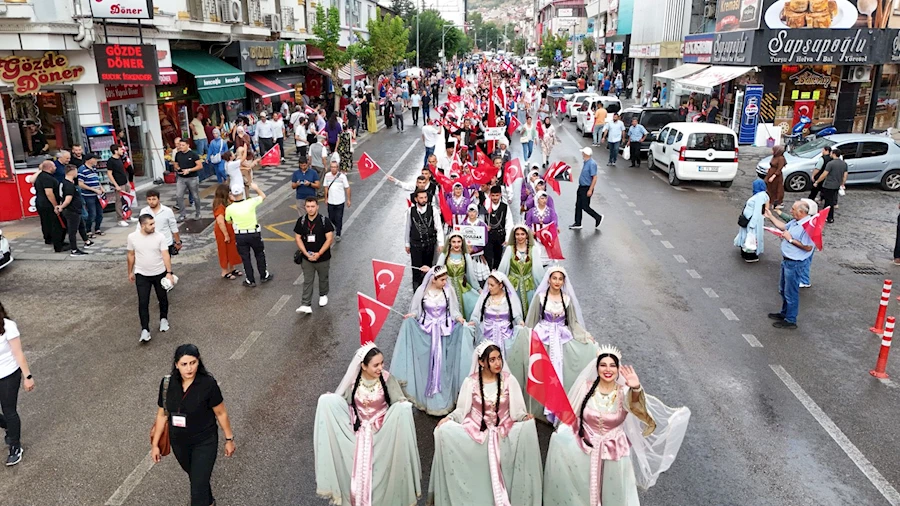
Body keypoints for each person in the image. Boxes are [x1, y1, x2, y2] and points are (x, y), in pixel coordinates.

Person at [543, 347, 691, 505]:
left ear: (618, 369)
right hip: (585, 444)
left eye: (612, 365)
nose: (608, 369)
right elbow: (572, 414)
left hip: (614, 449)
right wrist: (562, 434)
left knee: (612, 495)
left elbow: (638, 409)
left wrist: (635, 388)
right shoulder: (586, 388)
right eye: (603, 365)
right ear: (597, 368)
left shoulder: (624, 392)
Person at [429, 340, 542, 505]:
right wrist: (449, 419)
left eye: (499, 358)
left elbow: (517, 411)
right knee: (444, 432)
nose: (498, 363)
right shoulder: (471, 383)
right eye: (492, 360)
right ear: (482, 362)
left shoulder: (509, 381)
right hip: (477, 432)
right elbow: (462, 410)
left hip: (503, 431)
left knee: (528, 429)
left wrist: (525, 417)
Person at [314, 344, 422, 506]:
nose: (381, 367)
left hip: (382, 432)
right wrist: (329, 402)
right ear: (363, 366)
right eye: (376, 365)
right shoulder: (354, 382)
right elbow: (344, 402)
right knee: (357, 470)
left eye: (382, 363)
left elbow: (398, 400)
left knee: (381, 471)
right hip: (358, 431)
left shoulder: (386, 379)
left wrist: (403, 406)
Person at [150, 344, 235, 506]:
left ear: (198, 362)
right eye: (184, 364)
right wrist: (155, 445)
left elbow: (221, 413)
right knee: (197, 480)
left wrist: (229, 439)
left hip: (204, 441)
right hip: (179, 442)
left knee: (197, 488)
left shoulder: (208, 384)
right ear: (176, 365)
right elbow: (162, 414)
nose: (189, 368)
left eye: (193, 363)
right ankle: (209, 502)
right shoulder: (167, 384)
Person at [510, 266, 598, 421]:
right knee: (542, 371)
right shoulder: (541, 297)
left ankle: (558, 407)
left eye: (560, 279)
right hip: (543, 337)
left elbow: (572, 322)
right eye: (554, 278)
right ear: (549, 280)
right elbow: (533, 318)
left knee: (559, 371)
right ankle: (541, 406)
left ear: (563, 281)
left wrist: (585, 336)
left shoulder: (567, 299)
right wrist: (526, 334)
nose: (557, 282)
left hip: (560, 337)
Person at [390, 265, 475, 416]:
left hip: (444, 334)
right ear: (433, 279)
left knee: (443, 366)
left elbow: (454, 310)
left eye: (445, 279)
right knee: (428, 365)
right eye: (442, 279)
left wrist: (460, 319)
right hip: (427, 333)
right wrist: (412, 316)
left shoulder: (448, 291)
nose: (445, 282)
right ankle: (427, 400)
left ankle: (443, 401)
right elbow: (417, 310)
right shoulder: (422, 292)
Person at [765, 201, 815, 330]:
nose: (791, 211)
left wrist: (790, 239)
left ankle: (790, 319)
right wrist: (770, 216)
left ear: (801, 212)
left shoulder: (808, 227)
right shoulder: (795, 222)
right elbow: (783, 227)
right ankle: (784, 313)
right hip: (787, 261)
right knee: (783, 289)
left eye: (793, 209)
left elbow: (808, 247)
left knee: (791, 292)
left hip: (795, 264)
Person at [127, 214, 175, 342]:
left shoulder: (160, 237)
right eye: (151, 224)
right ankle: (145, 329)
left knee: (162, 297)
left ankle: (163, 319)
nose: (154, 226)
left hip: (159, 272)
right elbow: (131, 255)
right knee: (143, 302)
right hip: (141, 274)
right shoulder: (132, 237)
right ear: (143, 225)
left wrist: (168, 272)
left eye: (154, 223)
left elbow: (165, 255)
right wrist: (130, 272)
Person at [0, 302, 35, 466]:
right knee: (8, 418)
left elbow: (18, 352)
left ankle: (15, 446)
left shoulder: (8, 326)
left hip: (8, 374)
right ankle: (8, 425)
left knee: (9, 410)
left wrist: (28, 376)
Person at [225, 183, 273, 287]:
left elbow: (228, 221)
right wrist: (256, 188)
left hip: (240, 235)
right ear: (242, 193)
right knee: (259, 254)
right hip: (254, 233)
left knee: (245, 258)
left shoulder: (229, 208)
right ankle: (263, 275)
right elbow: (263, 196)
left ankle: (250, 280)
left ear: (232, 195)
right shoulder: (250, 202)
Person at [469, 273, 526, 359]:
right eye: (488, 284)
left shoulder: (509, 298)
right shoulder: (485, 297)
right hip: (487, 333)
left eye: (492, 285)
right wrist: (473, 321)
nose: (489, 287)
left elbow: (516, 315)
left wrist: (520, 322)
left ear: (500, 285)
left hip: (505, 335)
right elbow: (477, 314)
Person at [293, 197, 335, 314]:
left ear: (317, 206)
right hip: (307, 258)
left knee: (323, 278)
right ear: (305, 207)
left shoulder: (324, 221)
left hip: (323, 257)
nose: (310, 209)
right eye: (308, 207)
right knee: (307, 280)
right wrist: (306, 253)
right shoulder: (301, 221)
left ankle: (323, 294)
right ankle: (306, 304)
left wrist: (319, 253)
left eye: (312, 206)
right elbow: (298, 238)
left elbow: (329, 239)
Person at [498, 225, 546, 316]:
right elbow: (503, 268)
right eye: (517, 234)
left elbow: (538, 271)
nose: (520, 237)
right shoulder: (510, 249)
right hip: (513, 285)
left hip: (528, 285)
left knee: (529, 311)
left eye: (522, 234)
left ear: (527, 235)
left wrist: (543, 287)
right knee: (513, 309)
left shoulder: (533, 250)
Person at [435, 231, 481, 320]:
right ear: (450, 242)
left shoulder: (465, 255)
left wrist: (478, 288)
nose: (456, 244)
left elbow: (470, 274)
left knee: (474, 303)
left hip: (462, 286)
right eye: (454, 242)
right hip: (447, 285)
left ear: (462, 242)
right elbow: (437, 271)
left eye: (459, 242)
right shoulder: (444, 255)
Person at [406, 189, 445, 290]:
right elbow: (408, 228)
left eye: (425, 197)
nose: (424, 200)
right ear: (416, 199)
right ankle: (416, 293)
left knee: (428, 269)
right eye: (421, 198)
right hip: (416, 246)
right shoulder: (411, 211)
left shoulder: (433, 210)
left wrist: (441, 243)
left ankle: (427, 291)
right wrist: (407, 243)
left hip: (429, 245)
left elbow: (439, 227)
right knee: (416, 271)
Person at [55, 165, 92, 256]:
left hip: (75, 210)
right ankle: (74, 250)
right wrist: (62, 207)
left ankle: (86, 241)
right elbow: (67, 199)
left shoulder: (64, 183)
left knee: (81, 226)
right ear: (71, 171)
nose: (77, 173)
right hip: (72, 210)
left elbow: (61, 196)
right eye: (76, 171)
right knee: (72, 231)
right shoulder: (69, 185)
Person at [32, 160, 66, 251]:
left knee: (45, 222)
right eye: (54, 166)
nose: (55, 168)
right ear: (50, 168)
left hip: (41, 203)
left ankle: (48, 239)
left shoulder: (40, 176)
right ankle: (57, 242)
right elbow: (49, 193)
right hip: (47, 204)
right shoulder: (47, 178)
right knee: (55, 224)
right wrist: (56, 205)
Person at [212, 184, 243, 280]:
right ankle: (224, 271)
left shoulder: (228, 202)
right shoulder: (220, 206)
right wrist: (226, 235)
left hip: (231, 229)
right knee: (224, 250)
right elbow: (220, 222)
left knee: (232, 249)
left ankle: (232, 268)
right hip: (223, 231)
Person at [139, 189, 181, 257]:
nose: (151, 202)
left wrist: (178, 242)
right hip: (149, 244)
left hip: (165, 244)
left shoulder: (167, 211)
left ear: (158, 199)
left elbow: (173, 227)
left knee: (165, 265)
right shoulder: (144, 211)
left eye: (153, 199)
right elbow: (140, 227)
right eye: (149, 199)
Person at [735, 182, 770, 263]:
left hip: (751, 221)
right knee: (748, 236)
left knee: (751, 237)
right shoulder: (760, 195)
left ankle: (750, 254)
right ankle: (745, 252)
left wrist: (752, 224)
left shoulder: (760, 196)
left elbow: (757, 210)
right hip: (748, 220)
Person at [571, 147, 604, 230]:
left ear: (585, 154)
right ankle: (578, 223)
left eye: (583, 153)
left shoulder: (592, 164)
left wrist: (590, 189)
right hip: (581, 187)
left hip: (586, 188)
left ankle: (598, 217)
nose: (582, 154)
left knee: (585, 206)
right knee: (578, 205)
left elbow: (594, 177)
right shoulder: (586, 162)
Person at [812, 147, 847, 224]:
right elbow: (845, 175)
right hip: (836, 185)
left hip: (828, 185)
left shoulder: (830, 164)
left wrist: (817, 181)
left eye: (831, 153)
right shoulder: (844, 164)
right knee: (830, 200)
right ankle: (824, 216)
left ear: (834, 154)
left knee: (828, 202)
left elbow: (824, 174)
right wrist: (842, 183)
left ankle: (829, 217)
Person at [173, 139, 203, 222]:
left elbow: (200, 166)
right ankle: (182, 214)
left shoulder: (193, 154)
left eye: (183, 145)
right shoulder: (178, 154)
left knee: (195, 196)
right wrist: (177, 168)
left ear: (187, 145)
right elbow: (175, 163)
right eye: (180, 145)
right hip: (181, 178)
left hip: (192, 178)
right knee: (179, 195)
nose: (181, 147)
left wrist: (189, 170)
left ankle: (198, 213)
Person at [484, 185, 513, 271]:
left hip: (500, 236)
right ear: (490, 195)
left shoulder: (505, 207)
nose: (495, 198)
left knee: (498, 258)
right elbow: (480, 220)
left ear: (500, 195)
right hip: (488, 235)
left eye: (497, 195)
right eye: (493, 195)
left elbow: (509, 223)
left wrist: (508, 238)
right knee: (488, 257)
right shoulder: (486, 206)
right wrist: (485, 227)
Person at [76, 154, 104, 237]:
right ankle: (88, 231)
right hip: (88, 195)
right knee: (92, 214)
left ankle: (97, 228)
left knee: (100, 213)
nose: (96, 161)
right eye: (94, 159)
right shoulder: (82, 169)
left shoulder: (94, 168)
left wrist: (101, 187)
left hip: (97, 195)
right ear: (89, 160)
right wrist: (93, 189)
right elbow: (80, 184)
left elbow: (96, 180)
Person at [323, 157, 351, 241]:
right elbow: (325, 187)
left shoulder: (342, 177)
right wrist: (326, 198)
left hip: (340, 201)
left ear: (337, 168)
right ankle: (336, 226)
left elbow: (347, 188)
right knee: (331, 217)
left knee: (339, 218)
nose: (333, 169)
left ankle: (338, 233)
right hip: (331, 201)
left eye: (335, 167)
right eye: (332, 167)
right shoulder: (327, 176)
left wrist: (348, 199)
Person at [107, 145, 135, 227]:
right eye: (120, 149)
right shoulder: (111, 161)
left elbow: (123, 171)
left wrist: (128, 182)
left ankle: (128, 215)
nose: (122, 151)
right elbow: (109, 174)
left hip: (125, 182)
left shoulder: (120, 159)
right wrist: (116, 185)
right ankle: (120, 219)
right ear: (115, 151)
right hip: (118, 184)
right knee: (119, 201)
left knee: (127, 200)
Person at [766, 145, 787, 210]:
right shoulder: (775, 156)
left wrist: (773, 176)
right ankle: (771, 201)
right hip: (771, 173)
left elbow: (779, 169)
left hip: (776, 177)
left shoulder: (781, 158)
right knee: (770, 188)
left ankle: (778, 202)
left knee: (777, 189)